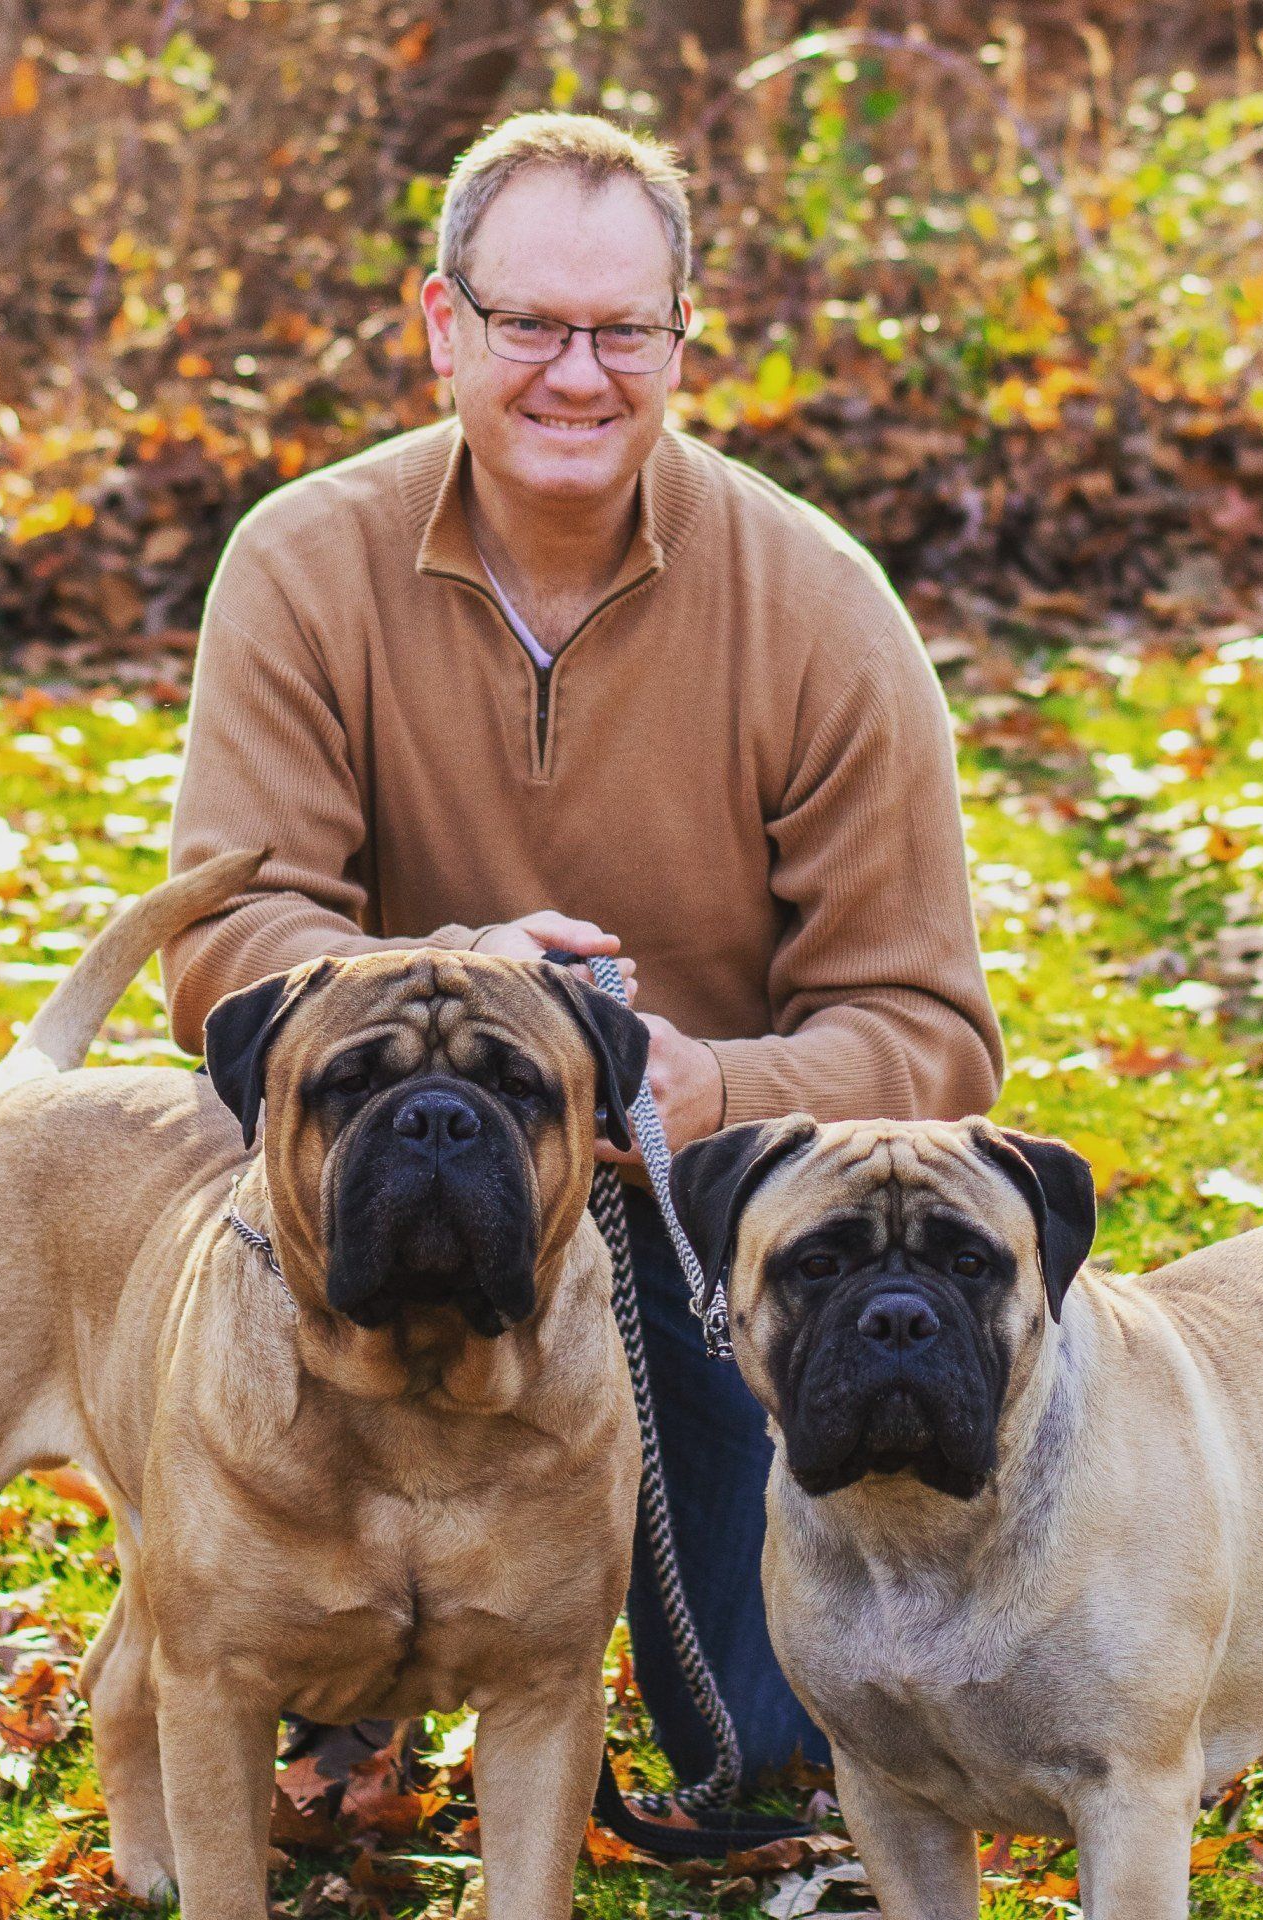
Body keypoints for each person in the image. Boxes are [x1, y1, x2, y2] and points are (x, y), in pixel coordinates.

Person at [162, 110, 1003, 1802]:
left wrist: (716, 1081)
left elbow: (931, 1028)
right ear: (442, 325)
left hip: (694, 1203)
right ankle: (352, 1658)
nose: (576, 373)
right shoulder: (302, 564)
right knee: (253, 1303)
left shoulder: (819, 603)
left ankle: (656, 1660)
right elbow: (228, 945)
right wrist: (452, 976)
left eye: (626, 330)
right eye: (531, 322)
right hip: (387, 1162)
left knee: (765, 1758)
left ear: (685, 341)